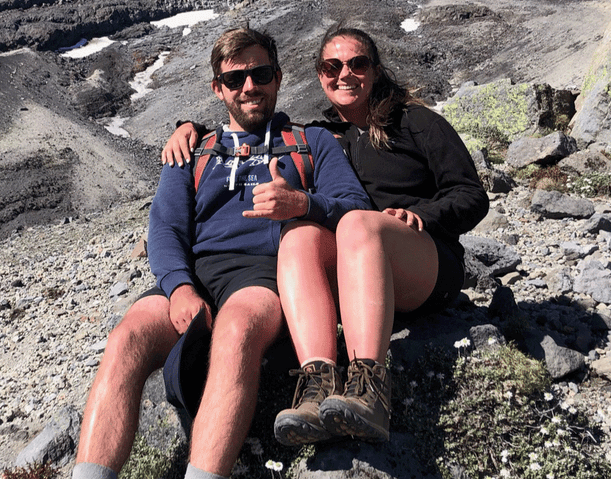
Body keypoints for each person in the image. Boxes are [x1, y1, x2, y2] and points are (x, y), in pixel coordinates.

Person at [162, 27, 489, 445]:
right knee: (298, 234)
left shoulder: (415, 122)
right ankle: (317, 385)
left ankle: (370, 388)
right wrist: (188, 127)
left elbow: (471, 195)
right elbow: (248, 120)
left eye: (358, 64)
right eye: (332, 67)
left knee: (355, 221)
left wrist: (420, 214)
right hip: (362, 267)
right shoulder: (324, 135)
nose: (345, 74)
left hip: (422, 258)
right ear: (320, 76)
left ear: (375, 70)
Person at [72, 28, 370, 479]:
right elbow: (166, 227)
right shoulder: (193, 151)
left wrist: (302, 204)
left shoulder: (314, 142)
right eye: (235, 80)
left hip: (267, 274)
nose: (249, 86)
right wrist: (178, 288)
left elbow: (356, 210)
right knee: (126, 338)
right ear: (218, 88)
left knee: (237, 330)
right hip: (196, 274)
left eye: (260, 73)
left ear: (278, 78)